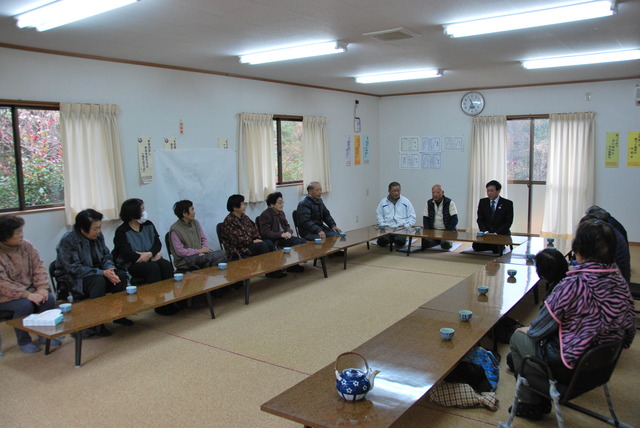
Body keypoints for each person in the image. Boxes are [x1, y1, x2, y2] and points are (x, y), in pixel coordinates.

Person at [508, 219, 635, 421]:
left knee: (517, 337)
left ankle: (532, 402)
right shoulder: (618, 280)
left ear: (580, 249)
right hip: (602, 365)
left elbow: (540, 328)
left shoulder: (575, 283)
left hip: (569, 366)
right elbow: (630, 328)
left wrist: (527, 330)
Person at [55, 209, 132, 336]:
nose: (98, 231)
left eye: (99, 228)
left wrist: (109, 269)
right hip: (75, 279)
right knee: (98, 281)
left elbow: (106, 256)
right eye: (95, 229)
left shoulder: (98, 236)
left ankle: (120, 315)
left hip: (97, 272)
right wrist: (102, 273)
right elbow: (73, 269)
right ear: (82, 229)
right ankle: (96, 324)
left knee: (120, 275)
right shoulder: (68, 240)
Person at [0, 215, 60, 353]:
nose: (22, 235)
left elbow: (38, 266)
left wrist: (42, 288)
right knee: (24, 305)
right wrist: (27, 295)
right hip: (5, 296)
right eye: (18, 232)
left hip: (30, 290)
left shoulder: (26, 246)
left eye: (21, 231)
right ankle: (24, 341)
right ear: (5, 235)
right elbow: (2, 283)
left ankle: (45, 336)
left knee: (48, 298)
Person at [221, 194, 285, 278]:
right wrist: (252, 241)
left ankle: (274, 268)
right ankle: (269, 271)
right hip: (239, 249)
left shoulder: (244, 217)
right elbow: (237, 240)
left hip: (250, 244)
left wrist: (257, 238)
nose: (244, 206)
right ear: (235, 208)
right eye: (242, 204)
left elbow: (255, 228)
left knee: (269, 242)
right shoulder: (229, 221)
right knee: (262, 245)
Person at [112, 198, 174, 284]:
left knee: (166, 265)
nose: (144, 212)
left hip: (150, 257)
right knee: (152, 268)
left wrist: (150, 254)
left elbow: (157, 244)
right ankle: (154, 295)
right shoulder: (122, 231)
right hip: (131, 263)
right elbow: (127, 253)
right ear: (132, 213)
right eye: (141, 209)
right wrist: (146, 256)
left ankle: (170, 293)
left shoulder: (148, 224)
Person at [169, 200, 226, 272]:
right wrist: (198, 251)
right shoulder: (175, 229)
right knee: (220, 256)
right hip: (186, 261)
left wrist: (204, 250)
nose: (194, 212)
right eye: (192, 209)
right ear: (184, 213)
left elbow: (203, 238)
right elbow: (180, 251)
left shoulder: (195, 222)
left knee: (223, 255)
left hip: (201, 256)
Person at [257, 192, 306, 272]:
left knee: (301, 241)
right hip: (274, 240)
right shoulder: (265, 215)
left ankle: (293, 265)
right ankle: (288, 266)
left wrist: (289, 232)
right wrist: (281, 235)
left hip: (284, 237)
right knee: (295, 242)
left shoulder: (281, 213)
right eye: (279, 203)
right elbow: (266, 232)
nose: (282, 204)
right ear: (272, 204)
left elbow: (287, 226)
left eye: (282, 202)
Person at [582, 208, 630, 283]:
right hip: (621, 276)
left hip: (617, 279)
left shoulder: (606, 235)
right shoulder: (610, 227)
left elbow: (596, 264)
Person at [472, 180, 514, 254]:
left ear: (498, 191)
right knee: (475, 246)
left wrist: (496, 233)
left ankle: (497, 245)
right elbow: (480, 219)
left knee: (496, 249)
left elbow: (508, 222)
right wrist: (485, 231)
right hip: (487, 233)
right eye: (488, 191)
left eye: (492, 191)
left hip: (500, 233)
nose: (489, 193)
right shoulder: (483, 202)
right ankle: (492, 245)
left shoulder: (507, 203)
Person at [375, 182, 416, 248]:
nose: (396, 193)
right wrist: (383, 224)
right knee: (381, 242)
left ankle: (395, 239)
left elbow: (412, 216)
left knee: (400, 242)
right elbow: (379, 215)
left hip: (401, 228)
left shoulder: (405, 201)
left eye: (398, 191)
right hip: (387, 228)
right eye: (394, 191)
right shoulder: (383, 202)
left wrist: (407, 226)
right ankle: (390, 238)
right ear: (389, 191)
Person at [422, 184, 458, 250]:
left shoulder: (450, 202)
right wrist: (428, 233)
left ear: (443, 192)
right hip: (433, 231)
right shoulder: (428, 203)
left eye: (437, 192)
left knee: (446, 245)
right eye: (433, 192)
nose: (435, 194)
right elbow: (425, 219)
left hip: (447, 231)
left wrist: (447, 232)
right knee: (426, 243)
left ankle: (443, 241)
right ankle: (438, 240)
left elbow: (454, 220)